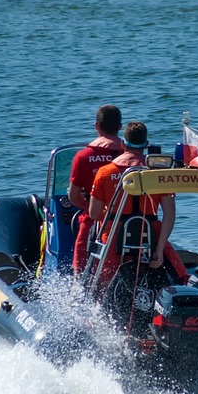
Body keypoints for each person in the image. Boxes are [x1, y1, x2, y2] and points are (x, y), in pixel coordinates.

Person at [88, 120, 187, 287]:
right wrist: (160, 250)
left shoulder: (104, 172)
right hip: (150, 238)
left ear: (123, 144)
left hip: (113, 237)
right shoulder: (159, 174)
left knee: (103, 287)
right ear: (146, 145)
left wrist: (112, 211)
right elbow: (169, 215)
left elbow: (94, 213)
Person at [68, 104, 124, 273]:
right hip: (129, 218)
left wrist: (91, 207)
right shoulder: (131, 154)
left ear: (97, 126)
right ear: (120, 127)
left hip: (95, 220)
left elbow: (73, 196)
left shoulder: (83, 156)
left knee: (81, 259)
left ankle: (78, 287)